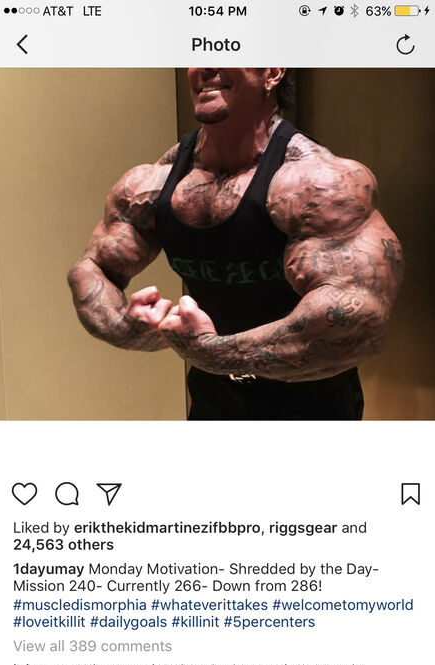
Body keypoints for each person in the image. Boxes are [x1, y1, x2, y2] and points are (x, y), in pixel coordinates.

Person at [68, 68, 403, 420]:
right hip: (213, 400)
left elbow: (359, 319)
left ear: (272, 72)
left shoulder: (317, 183)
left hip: (311, 407)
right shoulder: (153, 182)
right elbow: (91, 269)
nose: (205, 66)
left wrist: (216, 353)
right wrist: (130, 327)